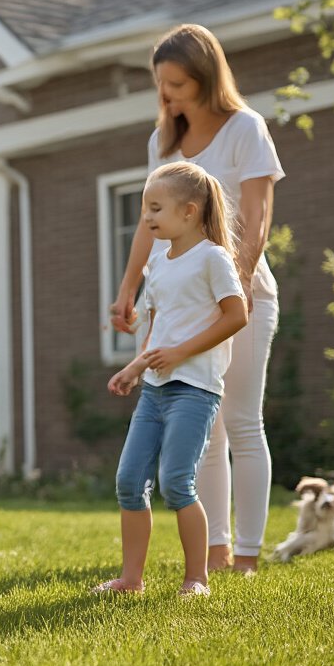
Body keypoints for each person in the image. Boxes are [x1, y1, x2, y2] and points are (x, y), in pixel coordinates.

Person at [110, 24, 284, 574]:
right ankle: (214, 549)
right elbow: (147, 223)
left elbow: (257, 217)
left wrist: (242, 279)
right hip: (174, 295)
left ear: (207, 78)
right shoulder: (160, 144)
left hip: (240, 292)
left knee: (240, 422)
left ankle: (249, 555)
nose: (168, 96)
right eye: (161, 85)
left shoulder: (245, 129)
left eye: (178, 84)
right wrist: (128, 290)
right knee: (200, 430)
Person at [96, 161, 248, 597]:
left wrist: (182, 353)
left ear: (189, 211)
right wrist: (135, 366)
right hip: (155, 390)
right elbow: (160, 330)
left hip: (195, 390)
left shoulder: (213, 258)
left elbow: (236, 316)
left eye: (155, 208)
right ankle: (130, 579)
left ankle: (196, 578)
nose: (146, 217)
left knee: (177, 482)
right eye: (145, 208)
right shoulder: (159, 263)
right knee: (129, 481)